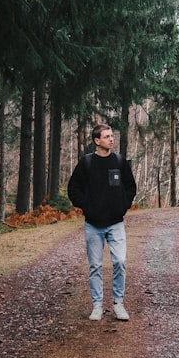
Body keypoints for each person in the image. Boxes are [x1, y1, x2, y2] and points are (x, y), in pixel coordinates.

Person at [67, 123, 137, 321]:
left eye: (112, 136)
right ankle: (97, 306)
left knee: (120, 262)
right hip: (93, 225)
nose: (111, 139)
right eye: (107, 137)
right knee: (95, 266)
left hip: (116, 223)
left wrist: (122, 205)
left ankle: (118, 304)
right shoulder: (86, 163)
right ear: (97, 141)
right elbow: (74, 188)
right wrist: (87, 206)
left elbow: (130, 186)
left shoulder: (120, 162)